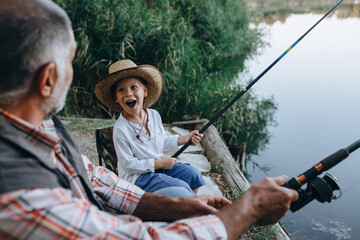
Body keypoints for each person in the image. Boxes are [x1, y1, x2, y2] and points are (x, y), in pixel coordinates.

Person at [0, 0, 298, 239]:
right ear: (48, 79)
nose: (71, 72)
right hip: (142, 178)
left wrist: (176, 206)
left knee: (187, 182)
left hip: (145, 187)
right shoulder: (18, 195)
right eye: (70, 62)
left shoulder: (41, 126)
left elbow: (92, 175)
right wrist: (247, 210)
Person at [94, 59, 205, 195]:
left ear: (145, 91)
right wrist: (157, 164)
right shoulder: (120, 129)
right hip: (138, 177)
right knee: (181, 187)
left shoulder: (154, 115)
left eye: (134, 87)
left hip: (159, 168)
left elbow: (161, 141)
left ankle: (186, 206)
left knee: (193, 175)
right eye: (121, 90)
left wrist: (185, 138)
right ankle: (186, 206)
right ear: (116, 98)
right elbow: (128, 164)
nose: (128, 93)